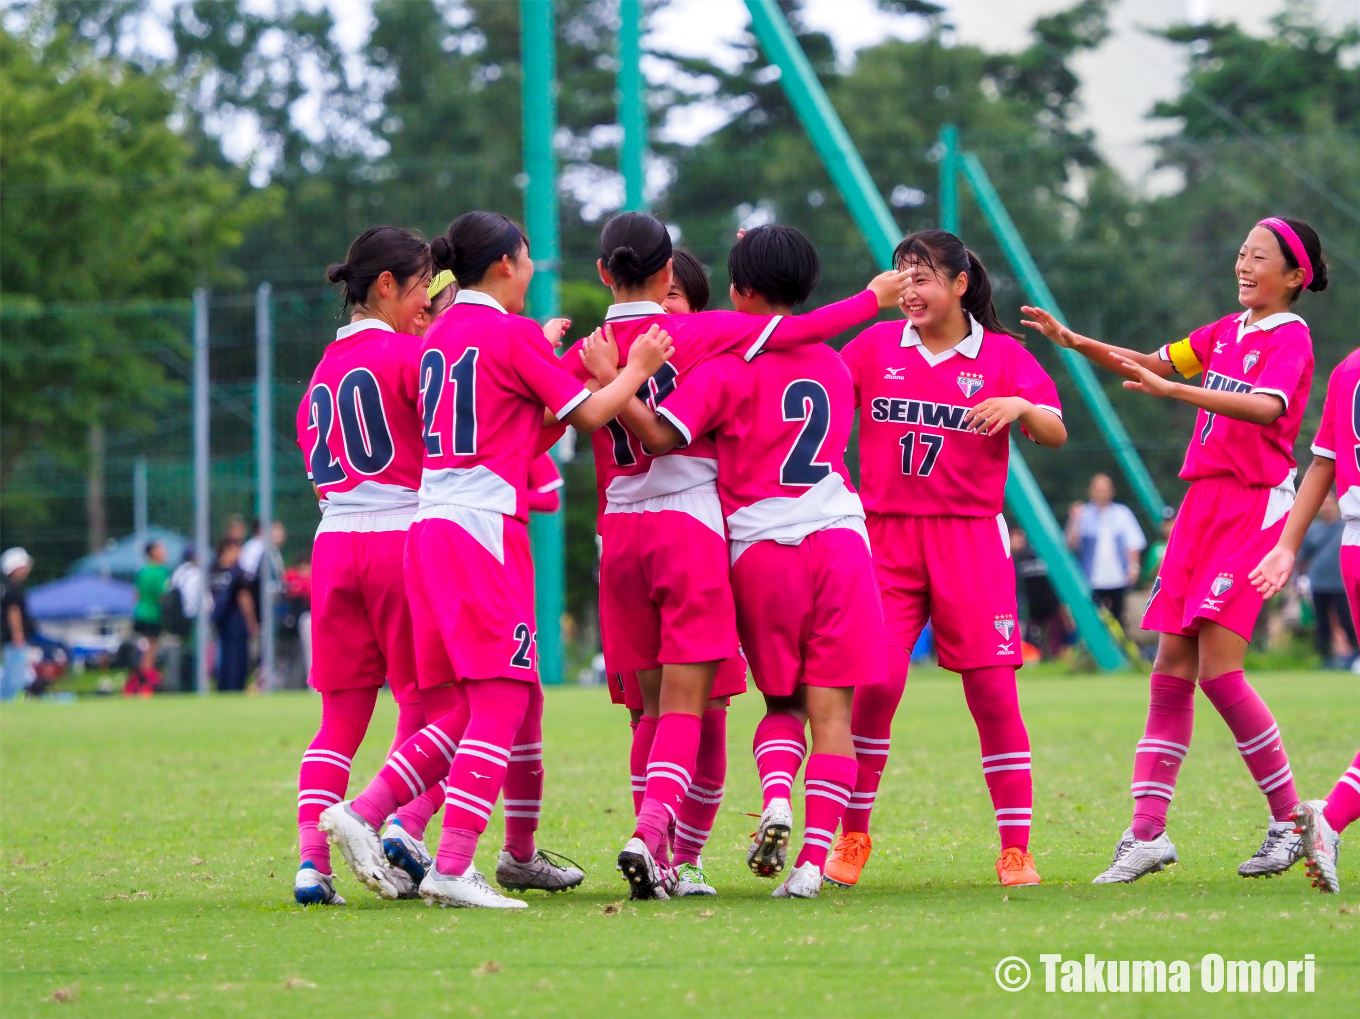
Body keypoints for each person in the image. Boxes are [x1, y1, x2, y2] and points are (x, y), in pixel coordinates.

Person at [321, 210, 676, 910]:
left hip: (429, 526)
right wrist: (636, 369)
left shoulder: (439, 330)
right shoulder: (507, 333)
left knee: (458, 704)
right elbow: (589, 416)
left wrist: (554, 361)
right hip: (480, 531)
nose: (535, 267)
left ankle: (366, 813)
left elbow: (521, 430)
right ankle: (450, 863)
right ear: (507, 264)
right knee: (507, 695)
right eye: (529, 255)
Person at [562, 210, 909, 900]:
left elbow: (642, 432)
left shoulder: (663, 362)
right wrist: (874, 297)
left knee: (674, 709)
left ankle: (661, 836)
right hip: (821, 534)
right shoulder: (797, 360)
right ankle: (808, 860)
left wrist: (611, 376)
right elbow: (805, 334)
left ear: (603, 271)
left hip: (697, 539)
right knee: (817, 711)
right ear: (668, 276)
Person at [1024, 215, 1326, 883]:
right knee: (1169, 669)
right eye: (1241, 252)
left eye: (1260, 257)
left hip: (1253, 505)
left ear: (1295, 275)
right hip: (1201, 508)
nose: (1244, 264)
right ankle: (1146, 833)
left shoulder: (1291, 336)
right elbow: (1153, 364)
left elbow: (1269, 409)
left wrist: (1175, 390)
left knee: (1220, 671)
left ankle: (1289, 820)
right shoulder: (1224, 332)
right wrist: (1075, 342)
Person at [826, 228, 1066, 890]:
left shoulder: (1003, 355)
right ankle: (852, 832)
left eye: (924, 275)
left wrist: (1022, 405)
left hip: (969, 539)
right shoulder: (873, 346)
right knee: (875, 687)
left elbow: (1055, 427)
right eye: (903, 275)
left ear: (960, 284)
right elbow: (814, 389)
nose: (910, 289)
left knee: (992, 692)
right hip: (888, 537)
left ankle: (1015, 848)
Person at [1250, 344, 1360, 894]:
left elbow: (1324, 462)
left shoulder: (1349, 367)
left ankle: (1331, 817)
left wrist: (1288, 546)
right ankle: (1332, 815)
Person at [1066, 473, 1146, 629]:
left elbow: (1133, 543)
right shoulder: (1084, 514)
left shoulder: (1123, 513)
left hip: (1118, 578)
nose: (1102, 492)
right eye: (1098, 488)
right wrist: (1074, 519)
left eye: (1105, 488)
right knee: (1092, 621)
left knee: (1119, 619)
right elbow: (1071, 545)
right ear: (1090, 491)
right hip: (1091, 579)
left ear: (1112, 491)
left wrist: (1134, 567)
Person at [1296, 493, 1354, 666]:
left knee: (1346, 620)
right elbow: (1302, 559)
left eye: (1329, 503)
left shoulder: (1347, 528)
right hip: (1318, 583)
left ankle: (1355, 655)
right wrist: (1298, 581)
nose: (1326, 507)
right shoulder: (1312, 530)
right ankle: (1325, 658)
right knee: (1322, 624)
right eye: (1323, 504)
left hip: (1341, 584)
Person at [1011, 527, 1066, 660]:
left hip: (1051, 603)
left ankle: (1054, 658)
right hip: (1029, 604)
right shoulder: (1015, 559)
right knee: (1033, 638)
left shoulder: (1044, 554)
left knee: (1055, 638)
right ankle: (1036, 657)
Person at [209, 538, 251, 692]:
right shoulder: (237, 573)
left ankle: (223, 686)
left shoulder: (213, 572)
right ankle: (234, 687)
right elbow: (244, 598)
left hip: (219, 619)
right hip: (236, 620)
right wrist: (251, 622)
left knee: (223, 656)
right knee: (237, 657)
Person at [132, 541, 170, 687]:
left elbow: (136, 594)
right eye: (160, 549)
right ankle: (147, 678)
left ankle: (143, 675)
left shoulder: (142, 571)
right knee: (152, 647)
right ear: (153, 552)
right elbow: (163, 595)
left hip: (140, 613)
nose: (164, 551)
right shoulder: (161, 572)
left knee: (145, 647)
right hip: (153, 615)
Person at [2, 548, 36, 701]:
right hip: (15, 639)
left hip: (11, 638)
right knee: (14, 673)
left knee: (12, 671)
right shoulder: (13, 589)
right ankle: (6, 700)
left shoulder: (8, 588)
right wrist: (18, 634)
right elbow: (13, 612)